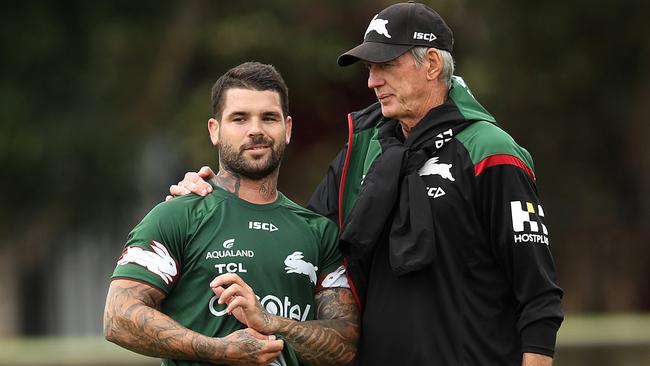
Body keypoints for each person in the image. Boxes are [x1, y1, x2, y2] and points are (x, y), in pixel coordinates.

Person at [170, 3, 564, 365]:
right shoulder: (362, 148)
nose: (372, 81)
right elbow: (305, 241)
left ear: (429, 64)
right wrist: (219, 194)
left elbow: (538, 296)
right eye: (369, 68)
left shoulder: (491, 152)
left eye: (385, 65)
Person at [104, 62, 359, 366]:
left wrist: (270, 321)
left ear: (287, 129)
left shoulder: (319, 232)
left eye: (269, 118)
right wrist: (220, 349)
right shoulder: (177, 216)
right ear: (215, 130)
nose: (256, 130)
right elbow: (118, 317)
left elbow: (346, 344)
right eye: (239, 118)